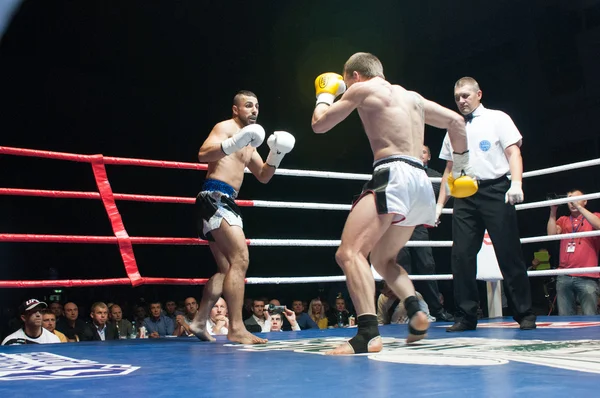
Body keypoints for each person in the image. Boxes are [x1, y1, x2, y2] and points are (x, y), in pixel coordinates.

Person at [311, 52, 470, 355]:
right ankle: (416, 310)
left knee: (349, 253)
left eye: (346, 81)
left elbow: (319, 125)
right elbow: (455, 121)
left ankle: (367, 334)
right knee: (383, 261)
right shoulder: (413, 98)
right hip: (421, 182)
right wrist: (463, 168)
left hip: (393, 172)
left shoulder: (362, 89)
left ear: (354, 76)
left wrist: (324, 94)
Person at [190, 90, 295, 344]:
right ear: (236, 109)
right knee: (241, 257)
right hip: (214, 197)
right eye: (248, 106)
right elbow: (203, 154)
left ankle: (199, 320)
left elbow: (263, 175)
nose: (254, 110)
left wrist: (276, 154)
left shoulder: (251, 141)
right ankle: (236, 328)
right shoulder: (225, 128)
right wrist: (231, 143)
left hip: (226, 202)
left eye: (257, 106)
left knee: (226, 269)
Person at [436, 76, 536, 332]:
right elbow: (449, 167)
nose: (461, 101)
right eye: (457, 97)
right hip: (463, 194)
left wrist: (516, 183)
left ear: (479, 94)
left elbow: (514, 152)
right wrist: (439, 205)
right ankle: (466, 316)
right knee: (461, 256)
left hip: (495, 189)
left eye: (466, 96)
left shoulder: (498, 118)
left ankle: (524, 313)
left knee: (508, 251)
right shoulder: (454, 126)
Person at [396, 145, 454, 322]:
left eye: (423, 151)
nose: (420, 154)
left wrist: (436, 208)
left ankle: (437, 309)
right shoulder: (403, 172)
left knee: (427, 266)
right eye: (417, 150)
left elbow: (448, 190)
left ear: (428, 156)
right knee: (402, 267)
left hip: (419, 225)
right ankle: (408, 310)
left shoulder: (435, 176)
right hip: (399, 224)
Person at [547, 189, 600, 315]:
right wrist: (553, 211)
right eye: (569, 200)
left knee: (590, 317)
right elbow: (551, 234)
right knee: (565, 319)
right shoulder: (563, 220)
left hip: (587, 276)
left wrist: (579, 207)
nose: (572, 202)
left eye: (576, 199)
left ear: (585, 201)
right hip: (565, 275)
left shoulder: (595, 216)